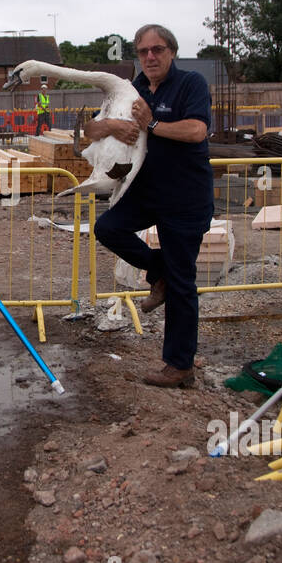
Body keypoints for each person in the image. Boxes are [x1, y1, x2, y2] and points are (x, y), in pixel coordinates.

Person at [89, 24, 212, 388]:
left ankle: (179, 366)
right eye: (143, 52)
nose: (151, 57)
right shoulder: (133, 89)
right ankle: (159, 272)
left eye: (157, 50)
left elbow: (196, 131)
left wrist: (153, 125)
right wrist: (112, 124)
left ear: (171, 51)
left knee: (182, 284)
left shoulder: (191, 84)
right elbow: (89, 131)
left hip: (185, 198)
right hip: (145, 192)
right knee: (108, 228)